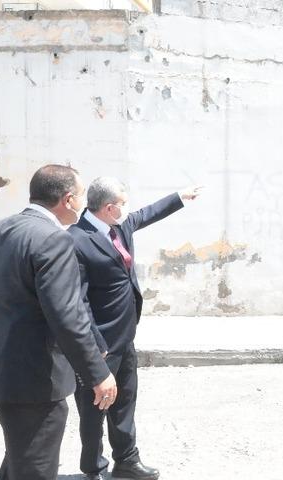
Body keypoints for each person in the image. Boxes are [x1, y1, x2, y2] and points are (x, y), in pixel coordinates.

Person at [0, 165, 118, 480]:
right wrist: (98, 373)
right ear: (68, 199)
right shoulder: (53, 240)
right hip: (33, 382)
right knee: (34, 468)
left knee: (20, 458)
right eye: (81, 196)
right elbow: (66, 315)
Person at [68, 177, 201, 480]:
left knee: (125, 402)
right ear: (109, 207)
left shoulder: (118, 226)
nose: (129, 210)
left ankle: (127, 461)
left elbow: (147, 214)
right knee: (93, 412)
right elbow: (78, 300)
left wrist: (179, 196)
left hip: (125, 337)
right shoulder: (76, 240)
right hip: (98, 344)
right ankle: (93, 469)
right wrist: (96, 343)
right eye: (123, 204)